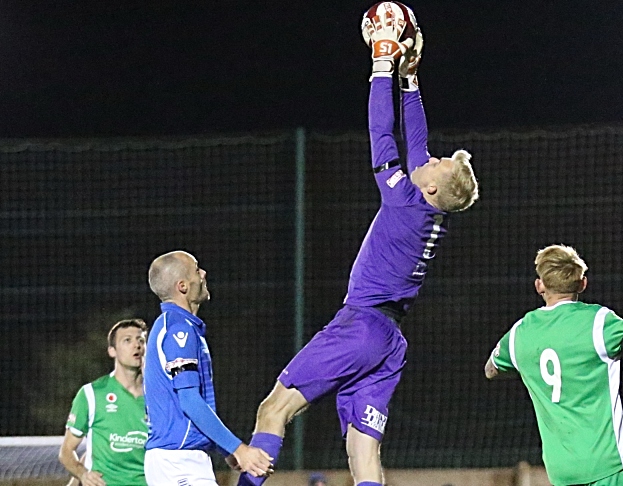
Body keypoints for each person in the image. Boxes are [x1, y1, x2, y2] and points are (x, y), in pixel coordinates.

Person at [237, 9, 479, 486]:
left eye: (438, 163)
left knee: (273, 409)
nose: (429, 157)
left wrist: (382, 65)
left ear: (432, 188)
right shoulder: (430, 209)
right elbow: (417, 142)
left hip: (361, 325)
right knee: (363, 453)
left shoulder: (407, 200)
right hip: (390, 343)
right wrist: (411, 81)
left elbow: (382, 135)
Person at [485, 244, 623, 486]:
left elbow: (491, 369)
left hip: (562, 472)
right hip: (609, 465)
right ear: (582, 283)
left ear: (539, 285)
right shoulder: (598, 321)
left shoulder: (519, 333)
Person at [143, 251, 273, 485]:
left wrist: (225, 449)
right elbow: (190, 400)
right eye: (196, 269)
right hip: (177, 462)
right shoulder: (178, 330)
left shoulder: (183, 327)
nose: (203, 274)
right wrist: (239, 448)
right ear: (182, 286)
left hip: (184, 460)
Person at [59, 318, 149, 486]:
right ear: (112, 351)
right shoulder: (92, 394)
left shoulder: (159, 397)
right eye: (127, 340)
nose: (136, 345)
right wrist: (83, 474)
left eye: (141, 340)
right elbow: (66, 452)